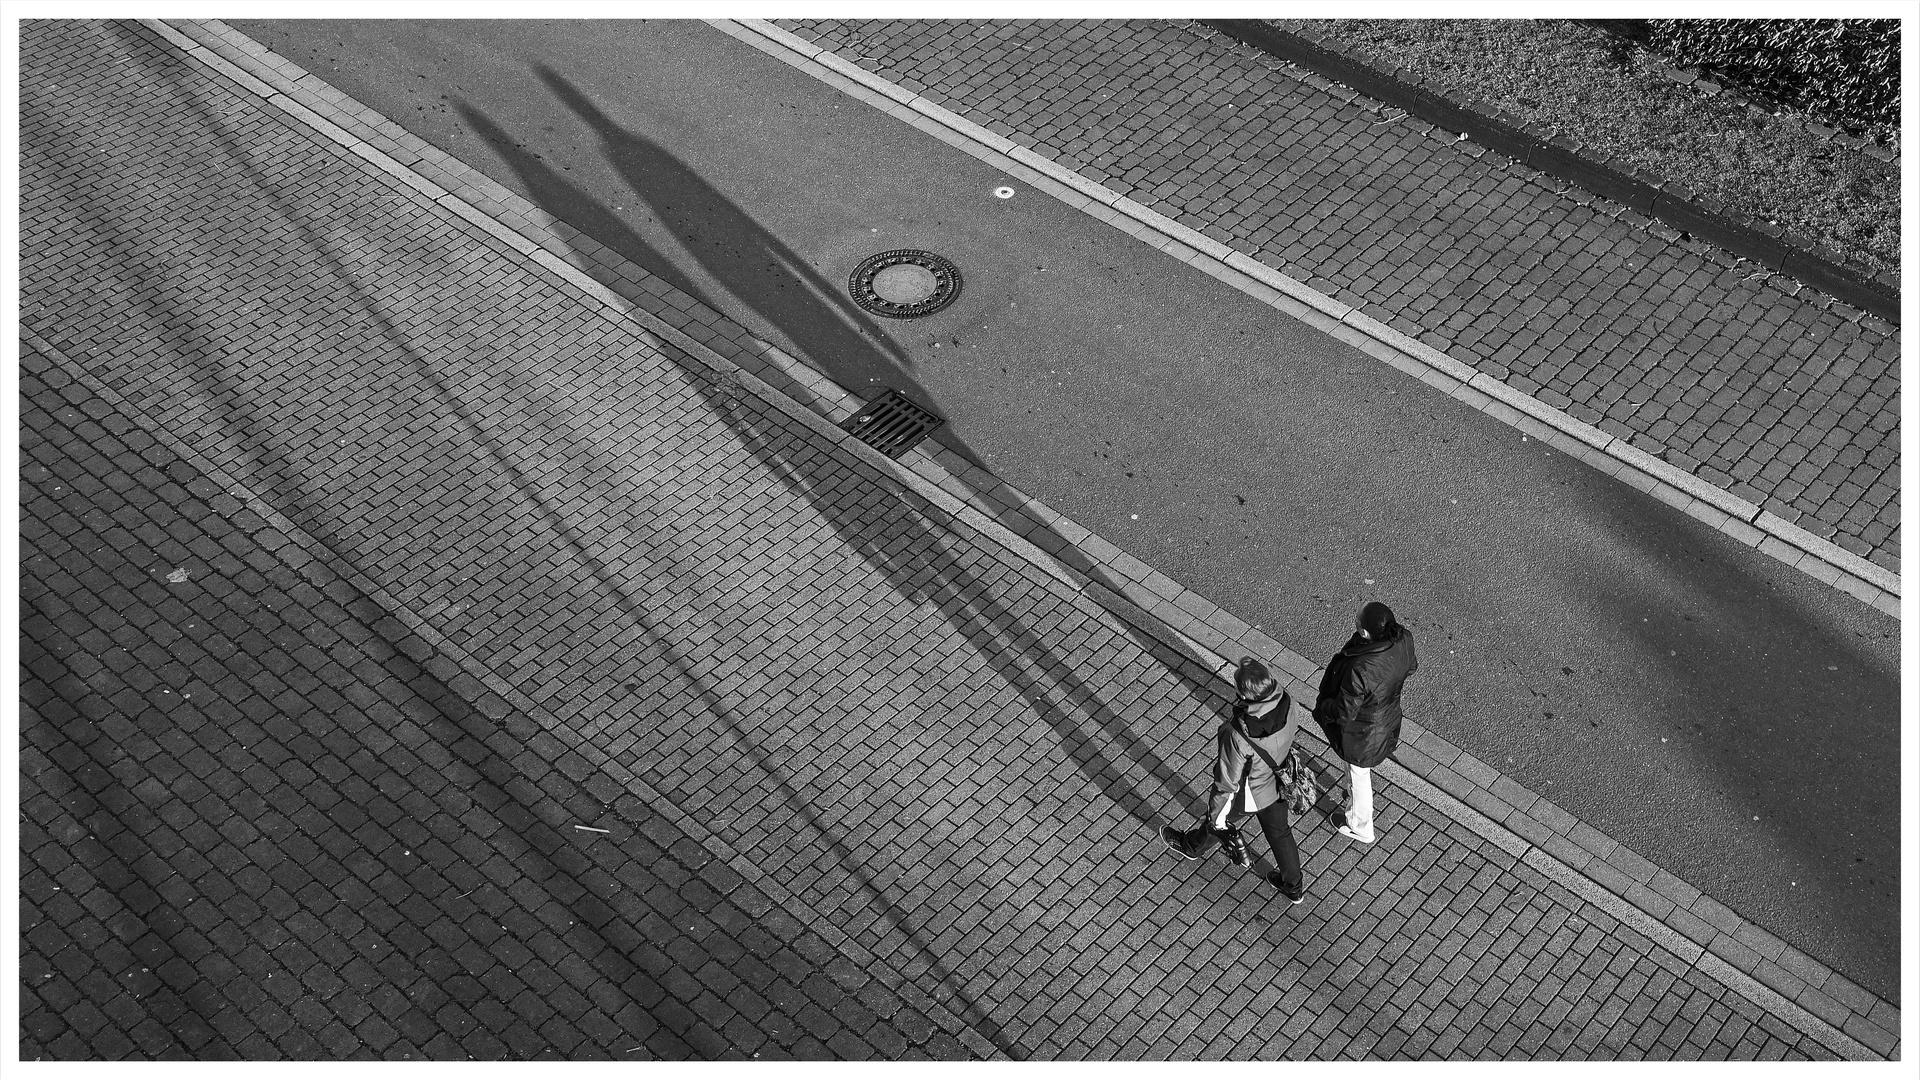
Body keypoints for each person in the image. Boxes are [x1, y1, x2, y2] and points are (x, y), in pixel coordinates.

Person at [1161, 657, 1307, 903]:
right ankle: (1294, 887)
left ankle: (1191, 848)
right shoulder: (1287, 700)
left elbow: (1226, 783)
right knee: (1280, 834)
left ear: (1243, 694)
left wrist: (1216, 816)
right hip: (1279, 780)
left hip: (1251, 792)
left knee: (1218, 821)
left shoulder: (1237, 734)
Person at [1314, 601, 1418, 844]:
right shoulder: (1404, 639)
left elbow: (1343, 711)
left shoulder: (1361, 668)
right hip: (1386, 719)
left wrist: (1323, 708)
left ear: (1364, 633)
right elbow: (1411, 667)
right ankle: (1354, 801)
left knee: (1359, 774)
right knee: (1358, 772)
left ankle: (1360, 825)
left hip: (1363, 732)